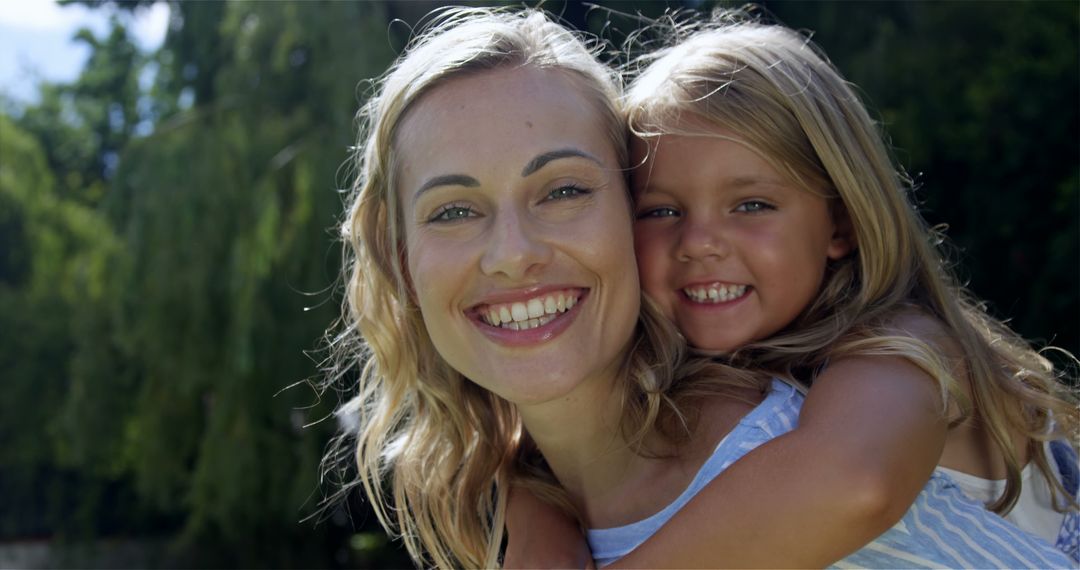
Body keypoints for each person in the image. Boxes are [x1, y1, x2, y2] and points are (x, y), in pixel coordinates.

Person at [505, 11, 1079, 568]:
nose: (699, 242)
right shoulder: (699, 363)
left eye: (752, 205)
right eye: (662, 210)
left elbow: (854, 481)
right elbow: (551, 445)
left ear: (841, 224)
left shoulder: (905, 346)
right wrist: (536, 510)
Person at [327, 7, 767, 568]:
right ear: (401, 262)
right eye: (454, 211)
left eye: (563, 192)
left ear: (637, 211)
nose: (514, 255)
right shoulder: (543, 500)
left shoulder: (798, 470)